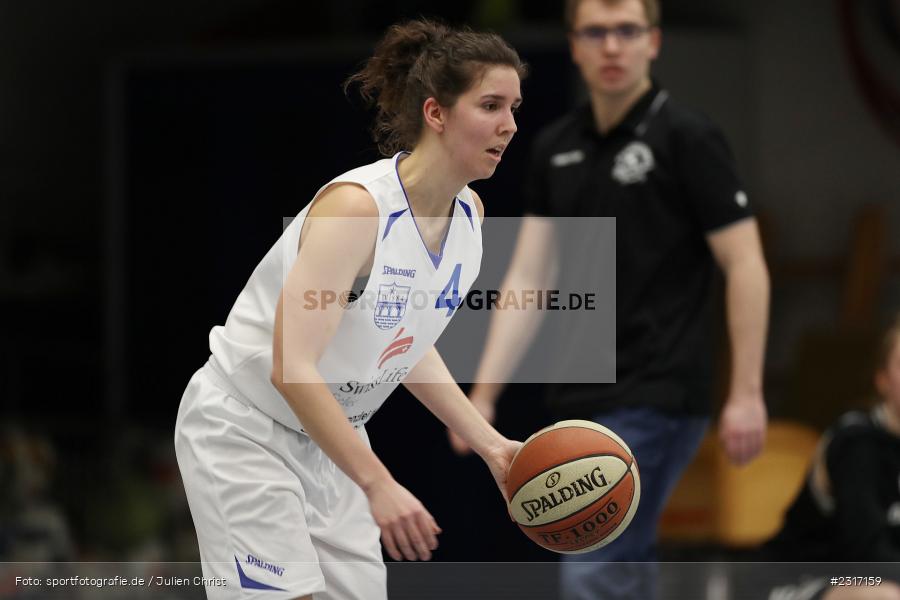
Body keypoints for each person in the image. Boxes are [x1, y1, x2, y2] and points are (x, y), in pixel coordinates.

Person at [174, 19, 527, 600]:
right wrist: (379, 482)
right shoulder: (357, 209)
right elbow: (293, 365)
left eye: (514, 106)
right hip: (244, 429)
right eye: (490, 105)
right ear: (436, 113)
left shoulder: (471, 216)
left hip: (335, 438)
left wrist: (493, 447)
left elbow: (403, 342)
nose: (509, 124)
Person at [448, 0, 770, 598]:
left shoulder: (687, 136)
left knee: (591, 554)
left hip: (659, 388)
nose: (612, 46)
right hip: (579, 391)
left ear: (654, 41)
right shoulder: (553, 146)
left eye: (627, 31)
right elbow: (530, 276)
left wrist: (747, 393)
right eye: (596, 33)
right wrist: (484, 393)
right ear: (573, 45)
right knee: (625, 560)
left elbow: (745, 262)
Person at [761, 314, 900, 600]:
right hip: (802, 578)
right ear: (882, 380)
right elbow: (868, 551)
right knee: (885, 596)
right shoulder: (856, 442)